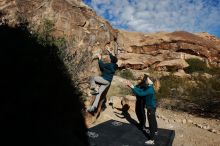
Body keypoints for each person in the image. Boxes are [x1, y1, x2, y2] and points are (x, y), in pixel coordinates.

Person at [125, 74, 158, 145]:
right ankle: (155, 131)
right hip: (153, 106)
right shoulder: (150, 86)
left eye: (146, 79)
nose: (145, 80)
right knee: (153, 119)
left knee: (151, 122)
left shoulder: (149, 89)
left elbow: (141, 94)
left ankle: (152, 140)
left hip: (150, 107)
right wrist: (132, 86)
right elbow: (140, 90)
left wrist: (131, 86)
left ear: (149, 81)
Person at [87, 47, 118, 113]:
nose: (109, 58)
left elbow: (102, 65)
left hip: (104, 80)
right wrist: (110, 52)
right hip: (108, 82)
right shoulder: (115, 65)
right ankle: (93, 107)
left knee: (92, 78)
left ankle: (95, 88)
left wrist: (99, 58)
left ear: (111, 60)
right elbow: (114, 58)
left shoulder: (109, 65)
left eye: (110, 58)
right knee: (98, 94)